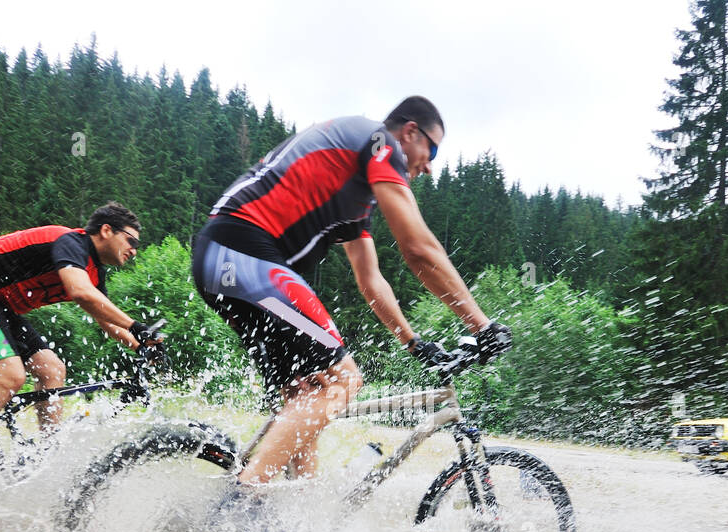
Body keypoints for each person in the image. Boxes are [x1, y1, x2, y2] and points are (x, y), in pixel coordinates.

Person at [190, 96, 511, 494]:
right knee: (344, 379)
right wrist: (482, 325)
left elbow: (371, 280)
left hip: (224, 259)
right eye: (432, 149)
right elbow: (419, 251)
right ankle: (242, 500)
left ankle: (292, 524)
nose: (429, 165)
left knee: (308, 395)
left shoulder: (355, 194)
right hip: (242, 253)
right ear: (410, 132)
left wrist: (412, 342)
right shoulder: (381, 144)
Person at [0, 201, 156, 446]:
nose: (134, 250)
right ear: (106, 230)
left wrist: (142, 345)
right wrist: (136, 325)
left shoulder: (94, 271)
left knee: (51, 370)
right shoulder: (71, 242)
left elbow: (105, 318)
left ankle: (45, 452)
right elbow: (81, 293)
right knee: (10, 376)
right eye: (131, 241)